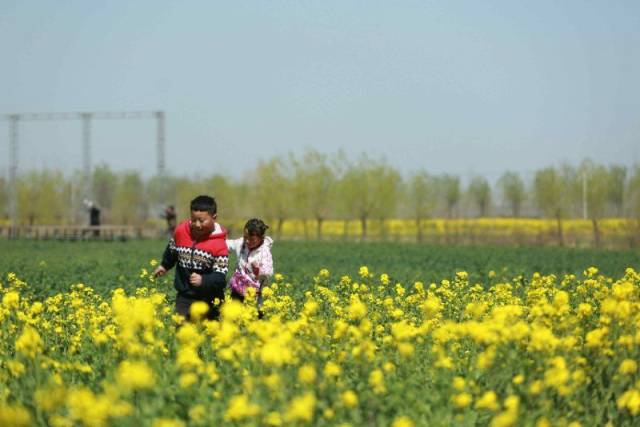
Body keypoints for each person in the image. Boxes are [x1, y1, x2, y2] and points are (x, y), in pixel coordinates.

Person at [153, 195, 229, 321]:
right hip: (185, 295)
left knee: (211, 334)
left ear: (214, 218)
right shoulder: (181, 231)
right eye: (194, 220)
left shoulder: (219, 244)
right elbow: (172, 250)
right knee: (182, 328)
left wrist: (203, 280)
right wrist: (164, 265)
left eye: (202, 220)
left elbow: (220, 276)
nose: (197, 225)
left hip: (211, 298)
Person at [226, 218, 273, 313]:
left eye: (252, 239)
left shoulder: (264, 252)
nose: (247, 241)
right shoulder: (241, 243)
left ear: (261, 238)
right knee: (233, 314)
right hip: (238, 287)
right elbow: (227, 244)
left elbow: (268, 270)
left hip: (254, 291)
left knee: (253, 315)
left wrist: (258, 271)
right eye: (245, 237)